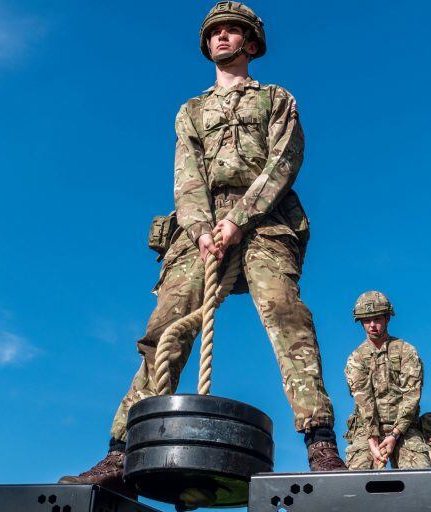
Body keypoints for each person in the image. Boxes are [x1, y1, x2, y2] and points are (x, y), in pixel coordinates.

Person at [59, 1, 346, 494]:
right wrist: (199, 228)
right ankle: (119, 453)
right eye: (216, 32)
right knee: (166, 324)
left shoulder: (276, 98)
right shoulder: (190, 111)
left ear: (251, 44)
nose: (223, 37)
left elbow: (284, 163)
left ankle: (321, 442)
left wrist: (237, 220)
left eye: (234, 31)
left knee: (284, 311)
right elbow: (186, 178)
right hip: (202, 226)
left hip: (263, 221)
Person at [344, 291, 430, 469]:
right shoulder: (357, 358)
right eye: (367, 320)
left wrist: (395, 434)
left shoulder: (406, 351)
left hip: (404, 429)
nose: (373, 325)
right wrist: (372, 439)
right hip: (367, 430)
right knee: (353, 481)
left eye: (377, 319)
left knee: (420, 478)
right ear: (360, 322)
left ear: (387, 318)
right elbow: (363, 400)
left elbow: (411, 395)